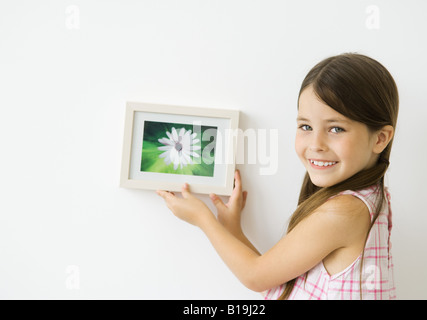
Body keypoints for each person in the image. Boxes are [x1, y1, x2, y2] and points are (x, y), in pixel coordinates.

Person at [157, 53, 398, 300]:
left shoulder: (343, 212)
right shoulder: (368, 199)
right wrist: (234, 231)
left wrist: (202, 218)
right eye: (306, 127)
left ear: (380, 138)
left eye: (336, 128)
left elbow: (255, 276)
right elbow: (276, 279)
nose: (316, 144)